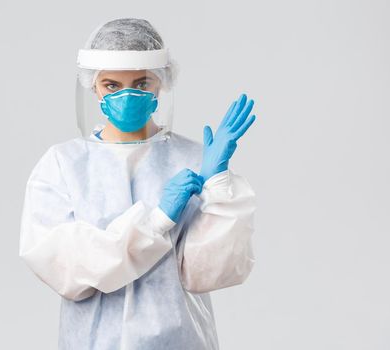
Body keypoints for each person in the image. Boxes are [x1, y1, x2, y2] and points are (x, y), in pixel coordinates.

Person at [18, 18, 257, 349]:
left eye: (142, 83)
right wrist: (158, 220)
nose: (127, 96)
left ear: (162, 82)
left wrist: (216, 181)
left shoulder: (192, 160)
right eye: (112, 85)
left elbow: (211, 273)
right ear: (92, 85)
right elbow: (69, 271)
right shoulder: (63, 166)